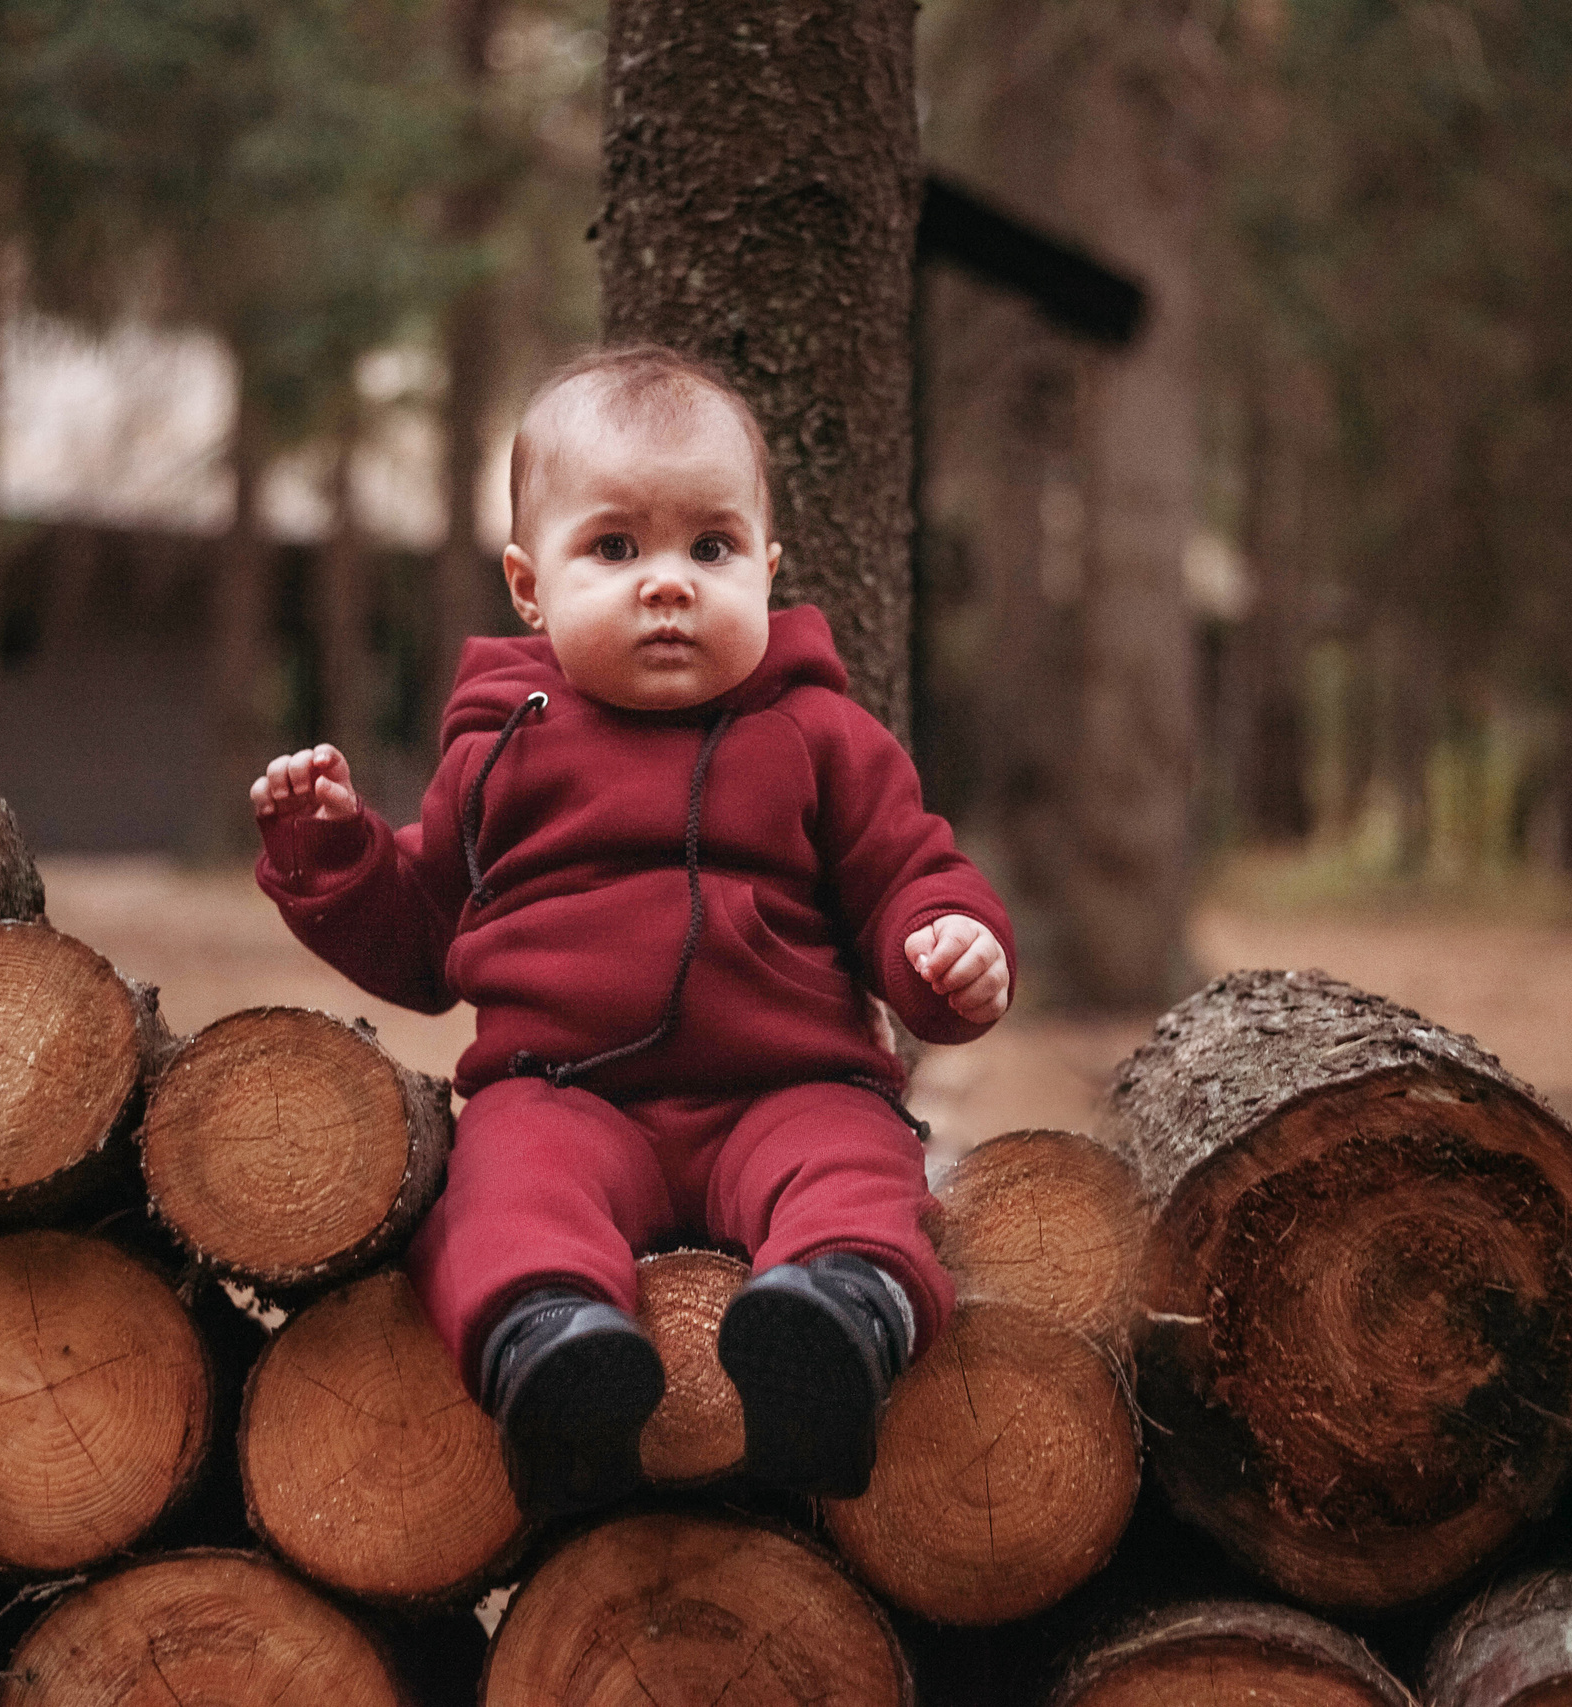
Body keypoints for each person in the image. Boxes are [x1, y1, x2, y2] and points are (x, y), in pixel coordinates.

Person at [250, 343, 1013, 1517]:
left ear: (766, 568)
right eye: (614, 548)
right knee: (501, 1183)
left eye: (709, 548)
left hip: (787, 1087)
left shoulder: (821, 737)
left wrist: (946, 945)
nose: (668, 583)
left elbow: (906, 873)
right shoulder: (497, 752)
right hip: (565, 1093)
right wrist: (332, 852)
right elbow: (418, 945)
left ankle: (840, 1326)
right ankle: (553, 1357)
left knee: (859, 1166)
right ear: (528, 585)